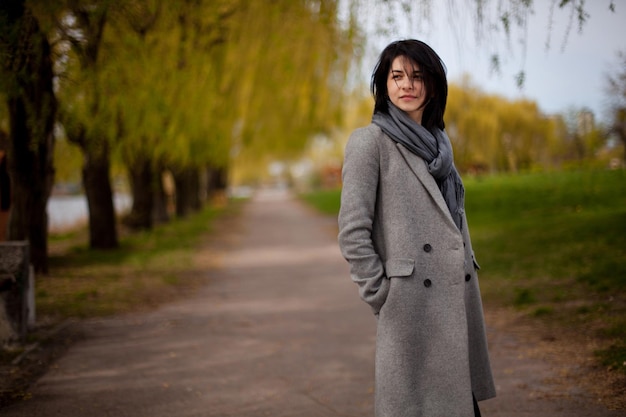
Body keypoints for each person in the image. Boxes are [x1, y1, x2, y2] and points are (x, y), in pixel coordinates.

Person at [337, 39, 496, 417]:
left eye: (417, 76)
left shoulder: (441, 146)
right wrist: (382, 295)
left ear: (433, 86)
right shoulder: (369, 143)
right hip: (410, 308)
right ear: (383, 85)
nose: (406, 85)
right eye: (396, 76)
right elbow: (352, 232)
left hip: (455, 301)